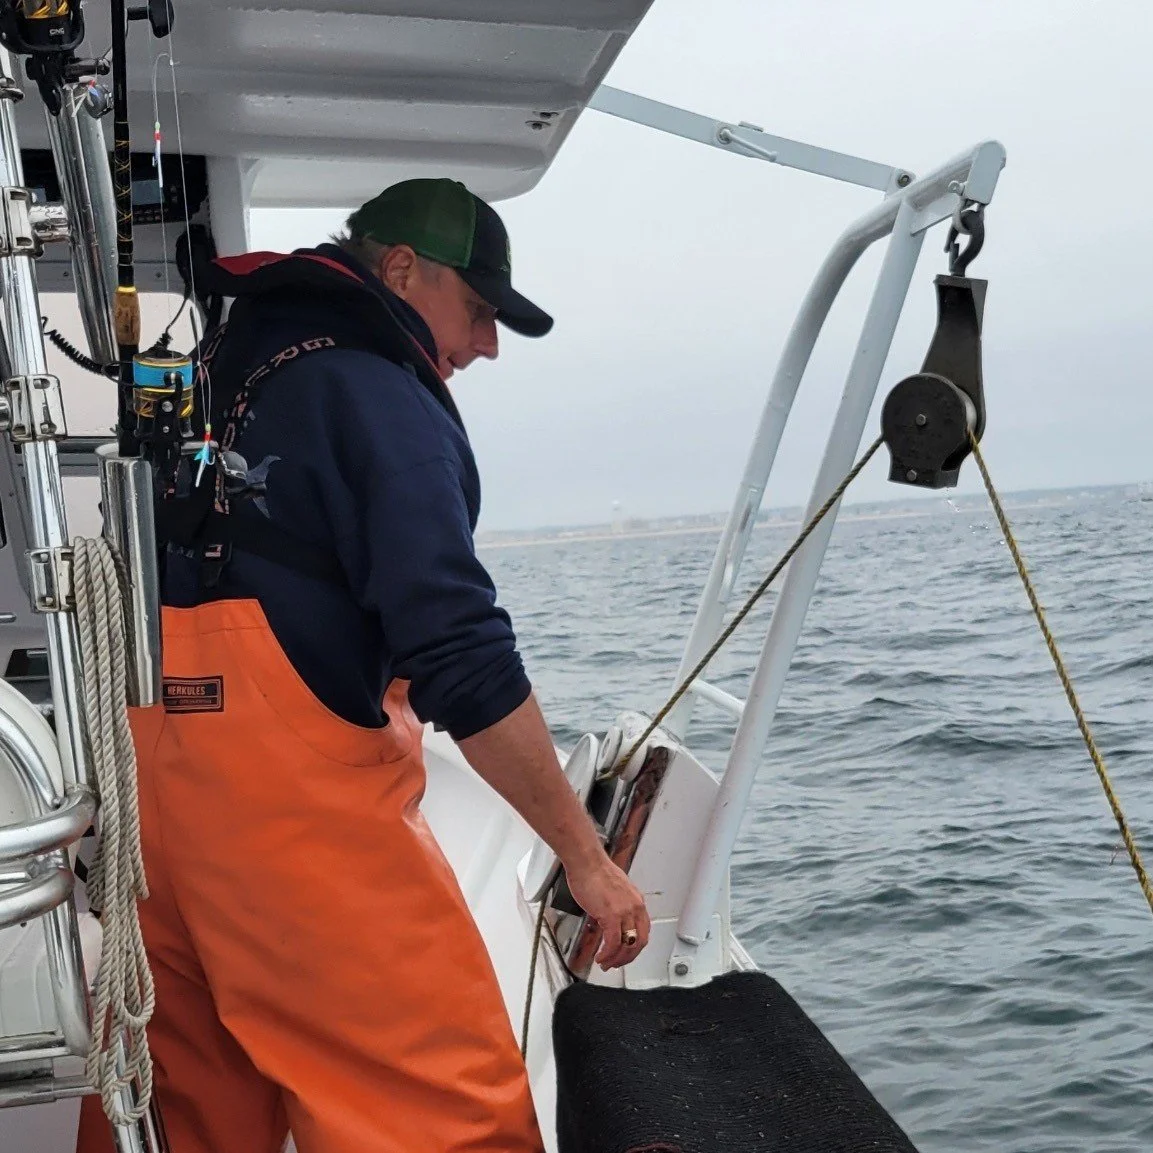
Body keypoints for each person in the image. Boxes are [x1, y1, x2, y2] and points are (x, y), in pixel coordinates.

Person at [77, 178, 651, 1153]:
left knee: (180, 1111)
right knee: (439, 1112)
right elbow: (460, 654)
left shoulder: (217, 364)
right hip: (284, 832)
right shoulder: (379, 394)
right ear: (399, 270)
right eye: (477, 310)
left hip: (153, 810)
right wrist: (587, 858)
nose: (485, 345)